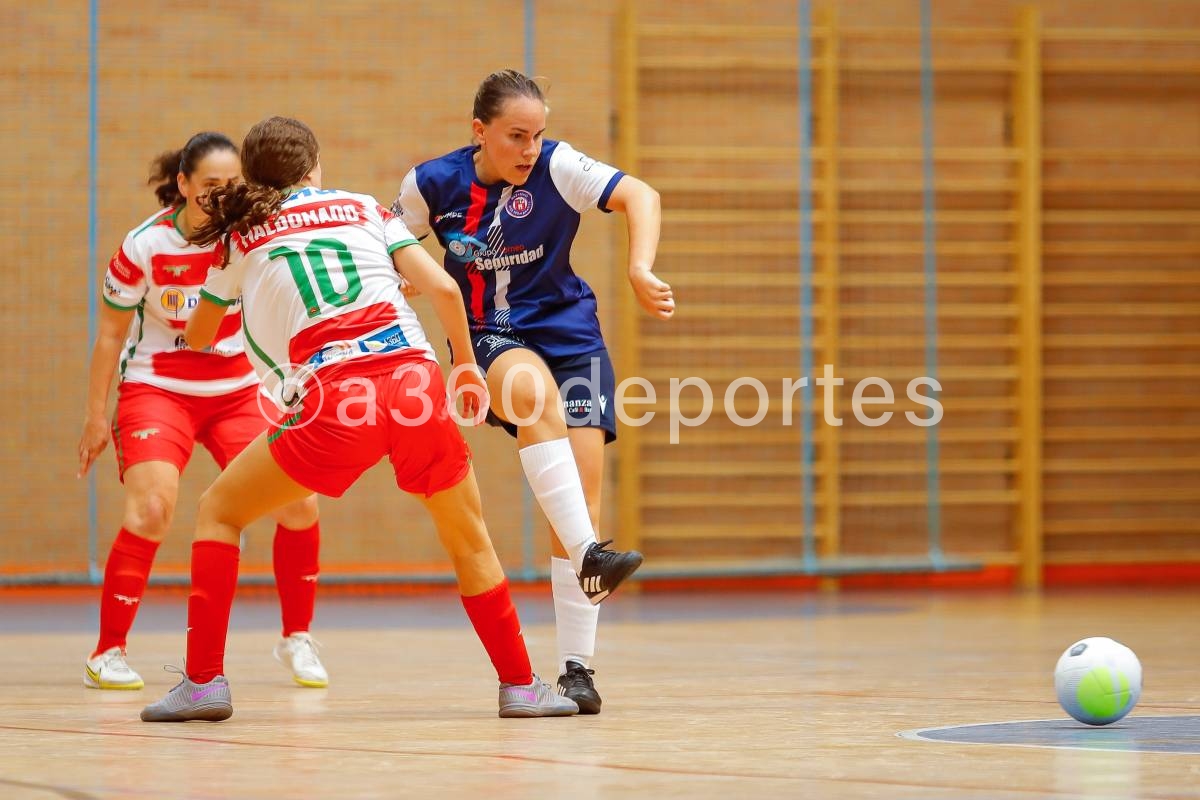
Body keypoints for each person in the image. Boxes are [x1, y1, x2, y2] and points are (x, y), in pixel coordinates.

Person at [140, 116, 596, 722]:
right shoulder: (362, 207)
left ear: (256, 178)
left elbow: (200, 334)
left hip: (336, 398)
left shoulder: (240, 235)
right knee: (470, 539)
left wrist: (236, 302)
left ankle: (203, 683)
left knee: (220, 511)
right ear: (314, 168)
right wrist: (464, 363)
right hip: (414, 384)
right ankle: (520, 684)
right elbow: (444, 289)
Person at [391, 69, 674, 714]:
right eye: (516, 136)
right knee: (528, 391)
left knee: (581, 491)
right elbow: (391, 250)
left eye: (536, 135)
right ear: (479, 132)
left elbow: (642, 194)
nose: (528, 148)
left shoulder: (557, 165)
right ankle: (591, 553)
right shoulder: (429, 184)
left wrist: (638, 266)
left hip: (570, 332)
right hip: (490, 331)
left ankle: (578, 668)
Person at [77, 132, 329, 691]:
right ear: (184, 185)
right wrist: (97, 417)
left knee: (300, 501)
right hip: (158, 388)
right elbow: (109, 335)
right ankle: (108, 651)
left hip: (237, 391)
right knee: (152, 509)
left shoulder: (249, 235)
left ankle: (297, 637)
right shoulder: (144, 245)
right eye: (209, 185)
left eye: (230, 185)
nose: (219, 196)